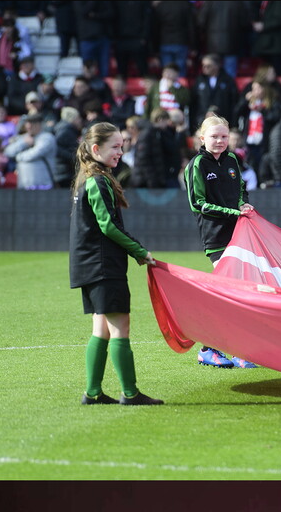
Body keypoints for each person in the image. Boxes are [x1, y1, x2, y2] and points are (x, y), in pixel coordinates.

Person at [69, 121, 163, 406]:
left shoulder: (87, 179)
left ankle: (93, 393)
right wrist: (140, 252)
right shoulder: (97, 181)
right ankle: (130, 393)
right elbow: (108, 226)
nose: (121, 152)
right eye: (115, 147)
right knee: (121, 326)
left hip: (90, 266)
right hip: (102, 266)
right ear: (96, 149)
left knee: (102, 329)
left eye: (122, 146)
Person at [184, 114, 257, 369]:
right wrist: (234, 213)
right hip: (216, 237)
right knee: (230, 294)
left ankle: (237, 350)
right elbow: (197, 203)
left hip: (239, 234)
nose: (219, 141)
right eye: (214, 136)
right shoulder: (196, 165)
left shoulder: (232, 159)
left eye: (224, 137)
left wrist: (243, 203)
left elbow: (241, 190)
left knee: (240, 292)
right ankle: (208, 348)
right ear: (202, 138)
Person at [3, 113, 57, 190]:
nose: (29, 127)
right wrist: (23, 143)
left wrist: (18, 157)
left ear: (39, 124)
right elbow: (8, 152)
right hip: (24, 184)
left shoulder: (47, 138)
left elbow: (34, 154)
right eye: (27, 125)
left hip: (43, 184)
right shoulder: (24, 138)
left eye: (32, 124)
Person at [190, 54, 239, 132]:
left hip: (223, 121)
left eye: (208, 66)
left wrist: (233, 124)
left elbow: (233, 102)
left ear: (217, 66)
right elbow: (193, 103)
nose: (204, 68)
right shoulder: (199, 80)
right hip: (201, 121)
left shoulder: (228, 80)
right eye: (203, 65)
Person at [52, 106, 83, 188]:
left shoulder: (62, 129)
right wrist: (74, 157)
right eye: (78, 118)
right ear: (72, 119)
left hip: (61, 171)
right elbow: (57, 149)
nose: (80, 120)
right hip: (64, 172)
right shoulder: (66, 131)